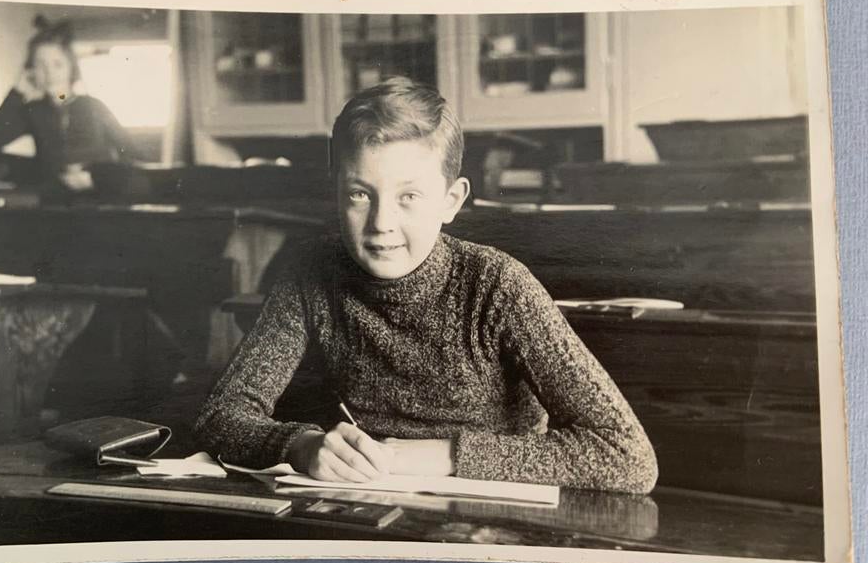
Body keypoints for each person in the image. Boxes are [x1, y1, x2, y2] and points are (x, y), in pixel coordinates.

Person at [193, 77, 658, 494]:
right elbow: (221, 416)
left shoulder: (498, 285)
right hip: (366, 509)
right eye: (360, 194)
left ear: (451, 201)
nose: (381, 224)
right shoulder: (312, 270)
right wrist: (299, 444)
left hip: (491, 526)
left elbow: (628, 457)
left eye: (408, 197)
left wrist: (447, 454)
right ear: (337, 192)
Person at [0, 16, 139, 202]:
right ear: (30, 70)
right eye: (40, 65)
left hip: (101, 201)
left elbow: (131, 153)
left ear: (71, 67)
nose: (49, 73)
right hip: (55, 204)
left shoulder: (93, 106)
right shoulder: (34, 111)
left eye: (57, 64)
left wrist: (98, 179)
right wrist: (17, 91)